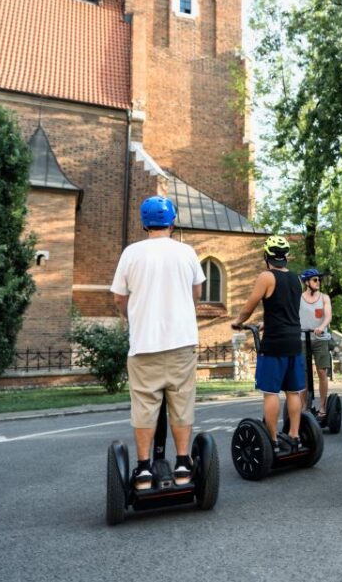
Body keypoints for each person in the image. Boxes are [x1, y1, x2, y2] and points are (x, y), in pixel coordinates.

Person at [111, 196, 205, 490]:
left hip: (144, 344)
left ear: (144, 223)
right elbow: (197, 293)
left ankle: (142, 469)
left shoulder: (131, 253)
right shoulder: (186, 252)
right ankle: (182, 464)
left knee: (144, 406)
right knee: (181, 402)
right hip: (182, 342)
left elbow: (118, 297)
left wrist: (133, 317)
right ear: (172, 222)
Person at [230, 235, 304, 455]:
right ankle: (295, 435)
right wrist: (267, 321)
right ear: (286, 257)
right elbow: (286, 308)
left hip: (274, 343)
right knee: (293, 391)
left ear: (266, 256)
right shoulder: (296, 279)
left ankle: (272, 440)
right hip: (293, 340)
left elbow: (249, 306)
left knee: (271, 393)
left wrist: (238, 322)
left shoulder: (266, 276)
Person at [298, 268, 333, 420]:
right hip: (302, 339)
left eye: (319, 279)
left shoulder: (324, 298)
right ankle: (304, 407)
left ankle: (323, 407)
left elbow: (328, 315)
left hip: (320, 339)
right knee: (303, 375)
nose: (318, 282)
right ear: (306, 282)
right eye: (314, 280)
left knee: (322, 372)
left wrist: (322, 326)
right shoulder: (298, 298)